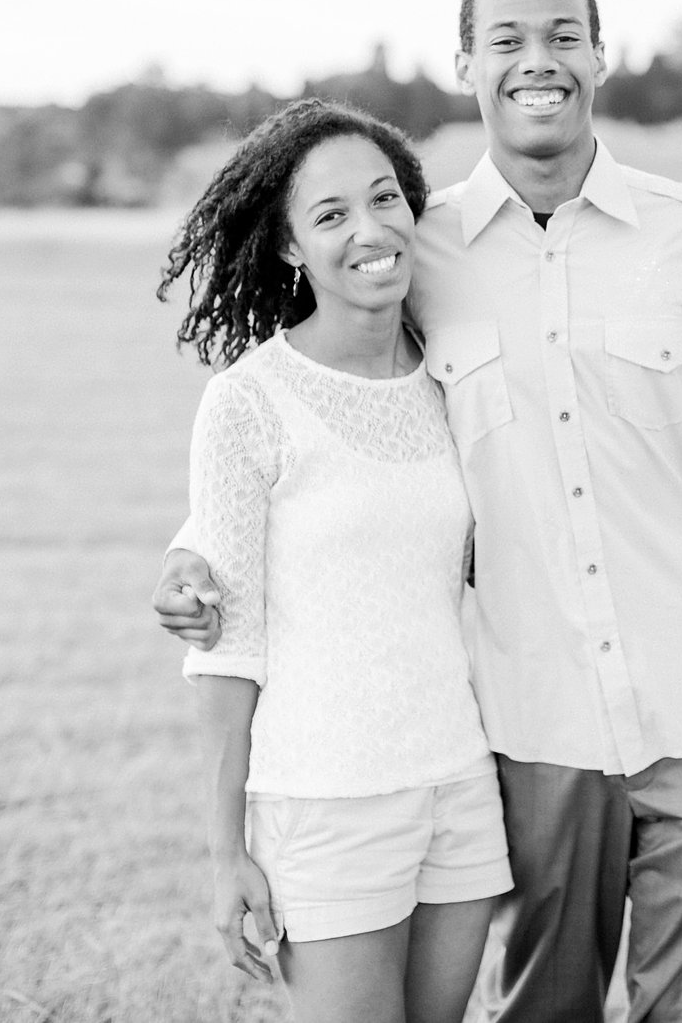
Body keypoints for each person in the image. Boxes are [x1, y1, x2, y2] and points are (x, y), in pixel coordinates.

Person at [157, 0, 682, 1023]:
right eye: (505, 40)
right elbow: (329, 409)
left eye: (560, 35)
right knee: (546, 1007)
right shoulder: (414, 243)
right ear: (464, 64)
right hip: (532, 721)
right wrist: (194, 545)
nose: (537, 62)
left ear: (600, 52)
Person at [157, 98, 512, 1023]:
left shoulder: (453, 375)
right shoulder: (250, 402)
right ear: (288, 248)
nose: (370, 229)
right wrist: (225, 851)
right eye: (330, 214)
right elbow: (226, 649)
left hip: (460, 783)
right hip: (325, 801)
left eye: (385, 197)